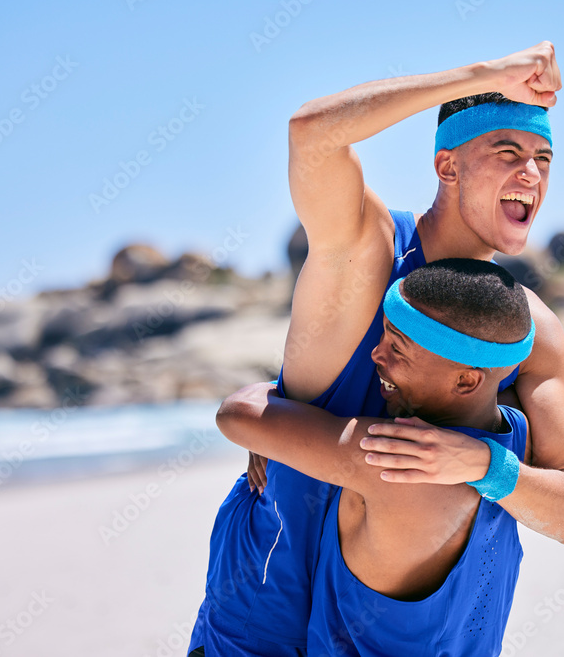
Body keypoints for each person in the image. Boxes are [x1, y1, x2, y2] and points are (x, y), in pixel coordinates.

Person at [187, 40, 564, 655]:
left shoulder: (528, 330)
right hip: (266, 612)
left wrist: (483, 465)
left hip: (426, 632)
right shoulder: (368, 252)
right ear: (447, 167)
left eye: (543, 157)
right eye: (508, 153)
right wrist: (482, 76)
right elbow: (312, 134)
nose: (531, 173)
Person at [219, 259, 536, 655]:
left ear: (467, 379)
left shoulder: (398, 458)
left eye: (397, 349)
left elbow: (237, 415)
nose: (375, 355)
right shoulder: (519, 436)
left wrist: (282, 395)